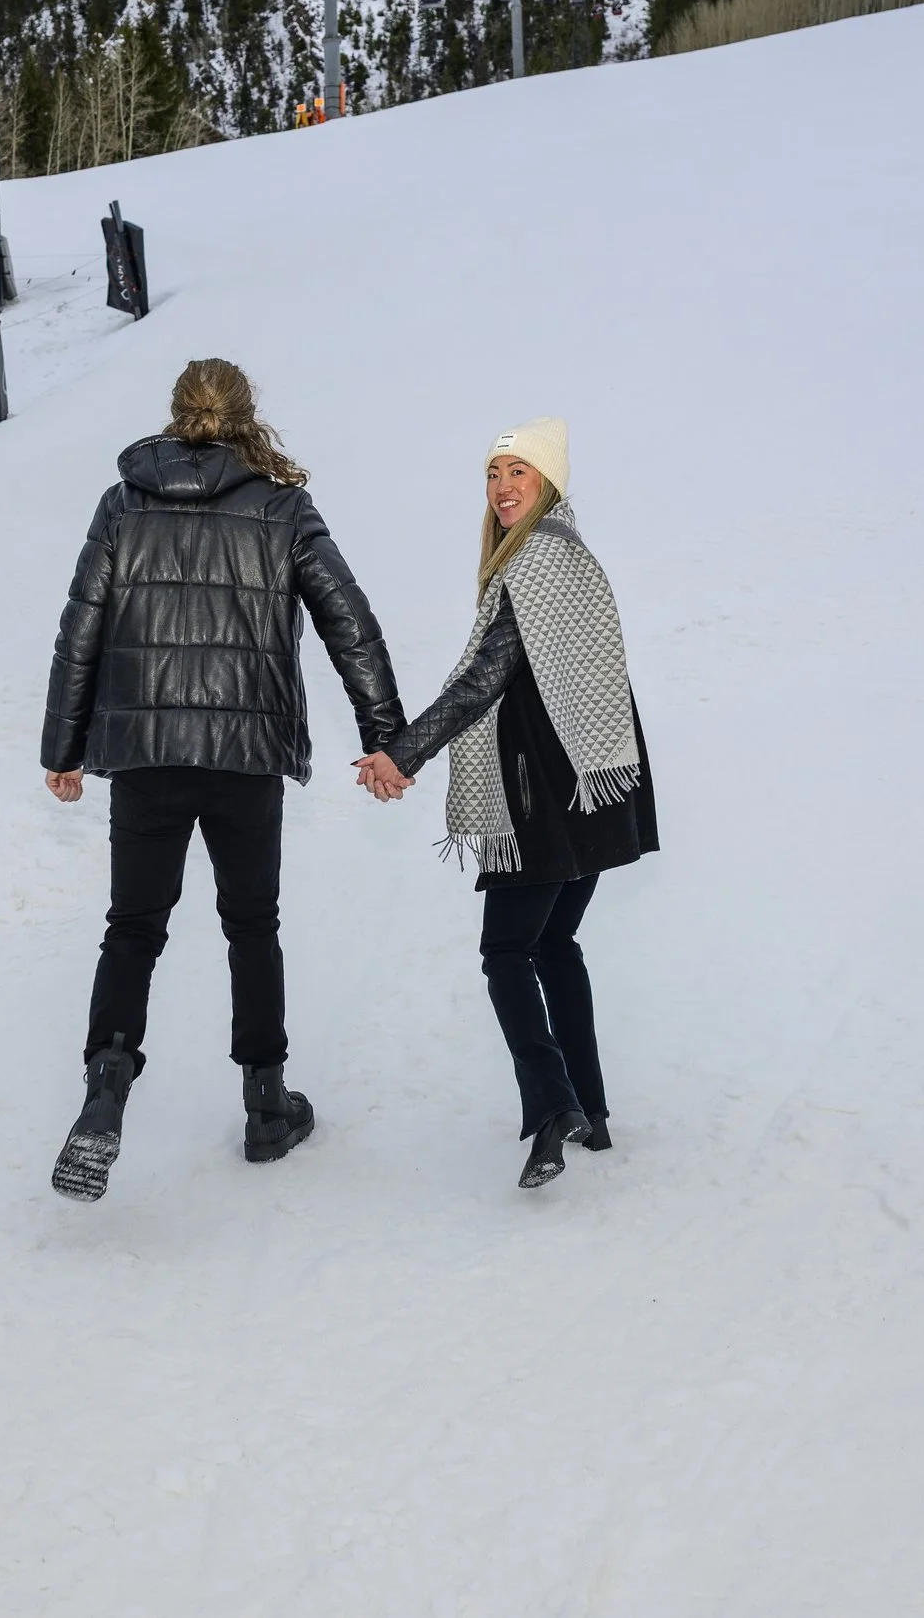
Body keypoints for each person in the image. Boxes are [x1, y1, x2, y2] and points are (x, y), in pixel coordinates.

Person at [43, 359, 404, 1202]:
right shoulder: (281, 506)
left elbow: (80, 626)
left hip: (144, 752)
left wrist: (62, 746)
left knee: (133, 926)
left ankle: (104, 1091)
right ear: (248, 418)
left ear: (176, 415)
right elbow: (349, 622)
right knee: (252, 923)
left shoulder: (124, 502)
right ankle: (266, 1103)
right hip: (246, 754)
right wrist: (386, 736)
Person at [357, 418, 657, 1189]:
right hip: (594, 785)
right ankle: (591, 1110)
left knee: (506, 954)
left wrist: (402, 751)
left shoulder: (536, 563)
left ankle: (554, 1103)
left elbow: (485, 677)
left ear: (549, 479)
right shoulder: (569, 553)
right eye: (493, 474)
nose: (503, 487)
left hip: (547, 796)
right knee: (554, 947)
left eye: (519, 471)